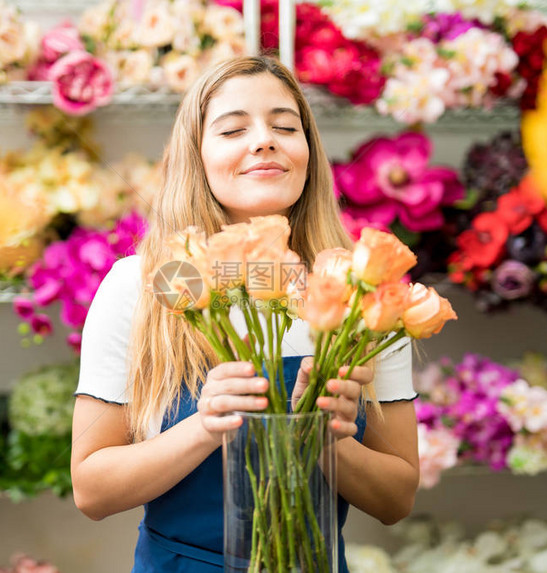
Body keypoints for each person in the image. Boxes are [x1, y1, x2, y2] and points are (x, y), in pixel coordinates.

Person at [71, 56, 419, 572]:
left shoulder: (358, 287)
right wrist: (205, 427)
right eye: (233, 128)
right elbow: (92, 490)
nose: (264, 140)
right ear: (197, 157)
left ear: (308, 153)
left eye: (285, 126)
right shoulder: (145, 285)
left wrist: (326, 441)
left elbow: (396, 501)